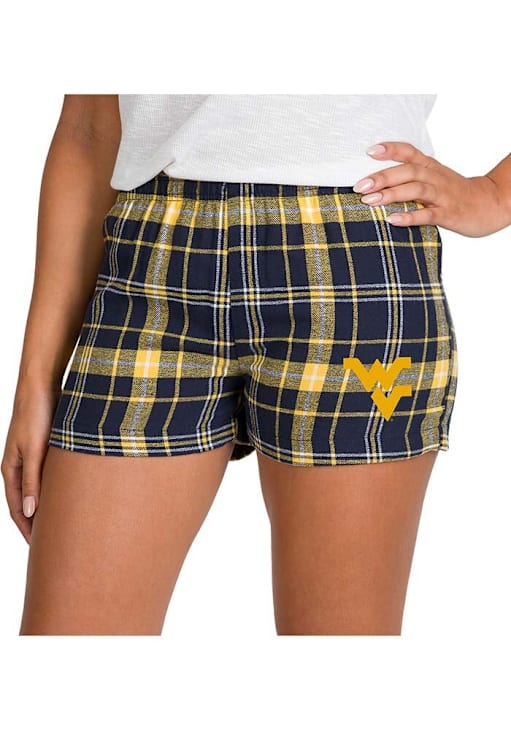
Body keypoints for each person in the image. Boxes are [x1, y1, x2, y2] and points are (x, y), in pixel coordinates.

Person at [2, 94, 510, 636]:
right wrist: (36, 380)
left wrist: (494, 195)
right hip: (151, 256)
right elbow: (89, 129)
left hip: (350, 263)